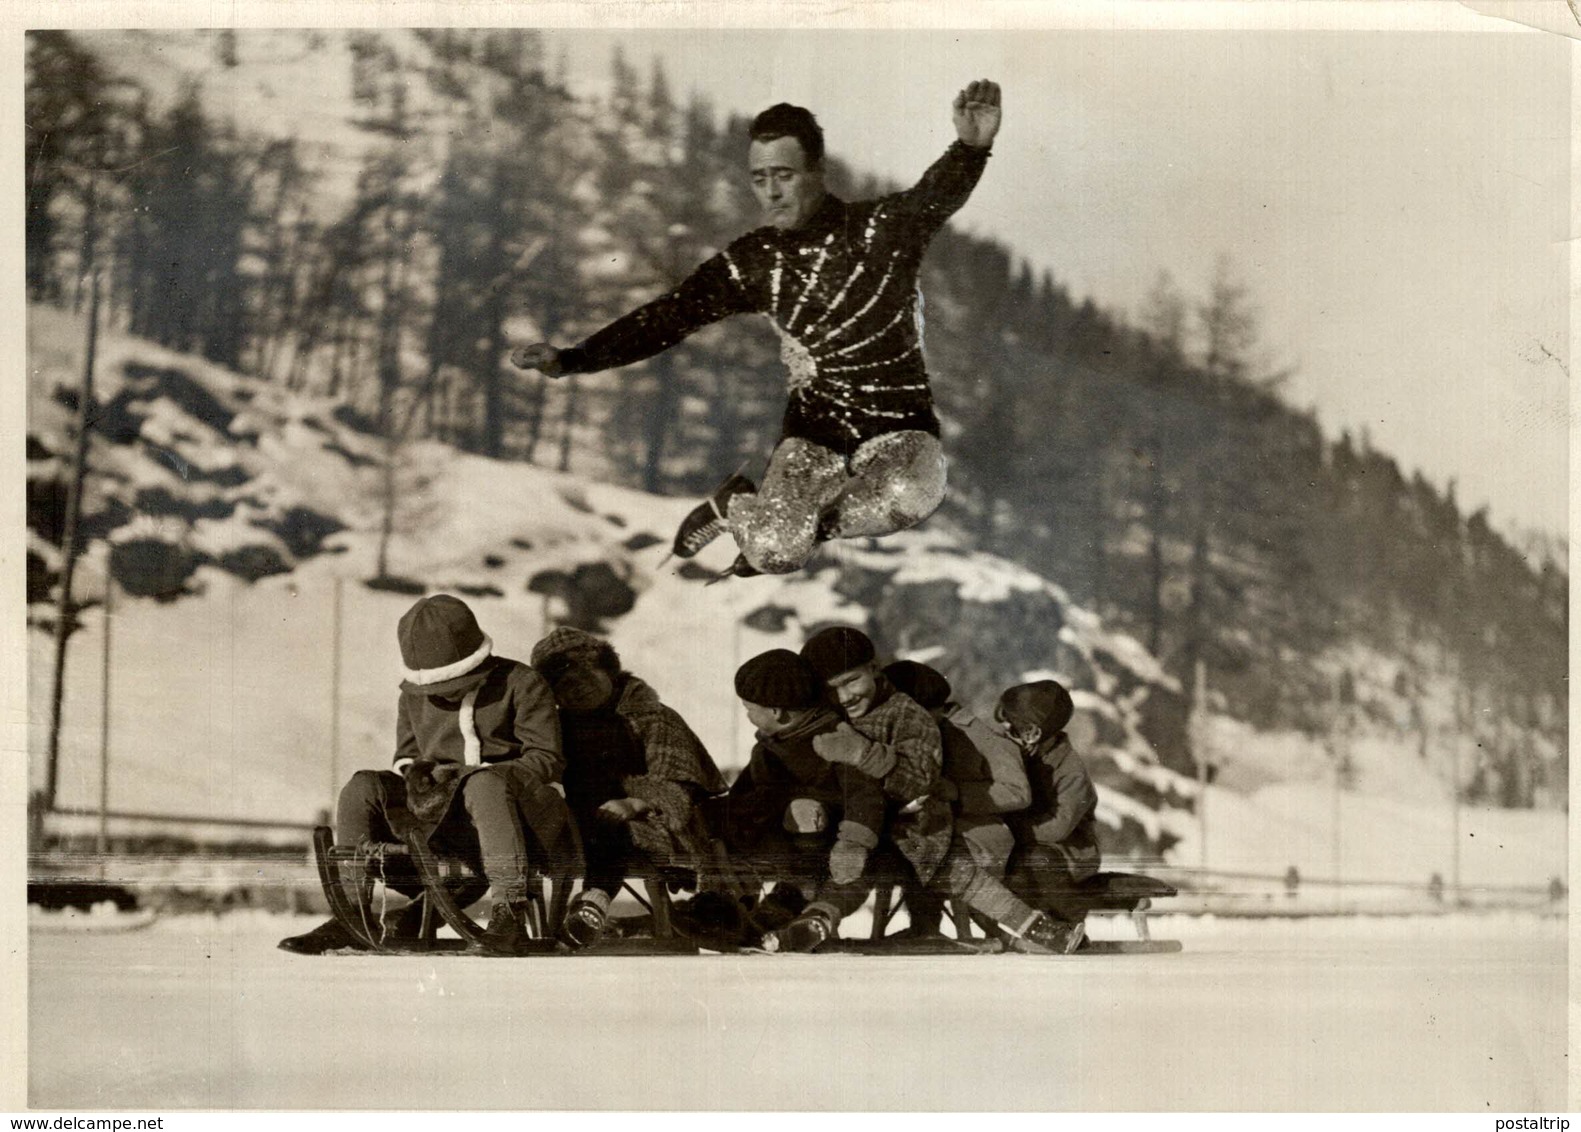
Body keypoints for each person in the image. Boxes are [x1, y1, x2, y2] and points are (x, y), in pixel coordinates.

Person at [510, 81, 1004, 578]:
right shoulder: (754, 261)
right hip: (817, 435)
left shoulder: (878, 231)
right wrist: (574, 358)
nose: (771, 191)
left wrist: (972, 147)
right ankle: (737, 506)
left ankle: (800, 524)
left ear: (817, 172)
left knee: (912, 493)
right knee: (773, 553)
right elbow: (671, 315)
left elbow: (933, 198)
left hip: (900, 428)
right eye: (759, 177)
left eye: (784, 175)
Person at [280, 595, 576, 954]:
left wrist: (471, 777)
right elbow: (406, 757)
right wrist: (419, 779)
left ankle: (508, 911)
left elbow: (546, 758)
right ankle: (353, 913)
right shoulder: (411, 696)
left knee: (483, 785)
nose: (441, 698)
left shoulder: (521, 683)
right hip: (443, 820)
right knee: (362, 787)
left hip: (523, 816)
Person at [781, 627, 1082, 954]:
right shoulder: (832, 719)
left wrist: (865, 756)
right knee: (847, 872)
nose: (844, 696)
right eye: (832, 688)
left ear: (874, 669)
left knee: (961, 875)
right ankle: (815, 922)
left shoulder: (911, 716)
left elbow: (922, 777)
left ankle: (1037, 930)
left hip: (918, 830)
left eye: (851, 681)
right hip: (860, 830)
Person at [529, 626, 728, 950]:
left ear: (607, 669)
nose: (578, 689)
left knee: (607, 821)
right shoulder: (555, 728)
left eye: (585, 676)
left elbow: (679, 783)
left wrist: (636, 803)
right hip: (578, 819)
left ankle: (594, 901)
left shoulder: (653, 717)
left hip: (650, 823)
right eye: (565, 685)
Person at [715, 648, 889, 950]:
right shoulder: (770, 748)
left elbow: (865, 793)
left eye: (749, 708)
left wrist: (854, 842)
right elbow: (743, 796)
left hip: (840, 847)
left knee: (840, 873)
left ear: (776, 712)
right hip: (791, 854)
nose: (747, 715)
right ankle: (735, 914)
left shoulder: (835, 739)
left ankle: (817, 919)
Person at [883, 659, 1031, 937]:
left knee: (925, 850)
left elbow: (1017, 791)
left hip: (981, 838)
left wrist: (958, 793)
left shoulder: (977, 735)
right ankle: (923, 930)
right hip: (938, 831)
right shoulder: (916, 733)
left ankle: (925, 930)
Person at [995, 679, 1103, 929]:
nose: (1007, 735)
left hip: (1071, 852)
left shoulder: (1070, 771)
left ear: (1033, 733)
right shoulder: (1021, 759)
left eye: (1014, 730)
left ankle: (1069, 919)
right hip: (1027, 846)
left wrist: (1012, 830)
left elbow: (1058, 828)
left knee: (1036, 860)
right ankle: (1027, 926)